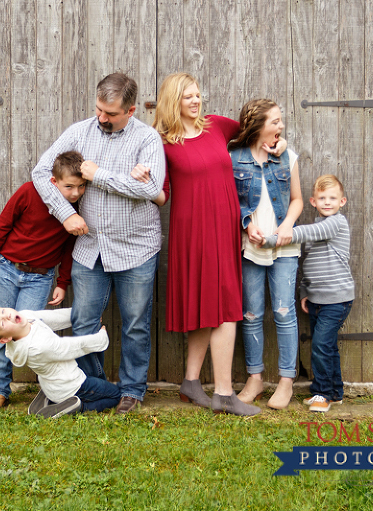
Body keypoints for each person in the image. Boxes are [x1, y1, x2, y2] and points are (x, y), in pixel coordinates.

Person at [31, 73, 165, 414]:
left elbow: (152, 190)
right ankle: (97, 388)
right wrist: (65, 213)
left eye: (110, 114)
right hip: (90, 247)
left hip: (136, 247)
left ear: (131, 110)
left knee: (135, 323)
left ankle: (132, 390)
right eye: (98, 110)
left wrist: (98, 174)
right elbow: (40, 171)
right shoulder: (79, 131)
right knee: (84, 322)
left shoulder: (147, 140)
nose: (101, 118)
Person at [145, 72, 277, 416]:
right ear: (173, 101)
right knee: (223, 305)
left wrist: (275, 140)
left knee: (214, 305)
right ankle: (222, 393)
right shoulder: (161, 143)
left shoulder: (217, 126)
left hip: (224, 228)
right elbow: (163, 196)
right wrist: (145, 182)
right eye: (188, 96)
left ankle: (191, 383)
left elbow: (254, 128)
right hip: (194, 233)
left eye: (198, 94)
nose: (195, 100)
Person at [0, 151, 86, 410]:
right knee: (1, 329)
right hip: (7, 268)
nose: (75, 193)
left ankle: (51, 389)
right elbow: (2, 226)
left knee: (33, 333)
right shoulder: (29, 192)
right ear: (53, 182)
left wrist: (62, 282)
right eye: (68, 186)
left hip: (40, 277)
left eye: (81, 186)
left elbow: (69, 249)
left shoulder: (77, 209)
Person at [228, 99, 303, 410]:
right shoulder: (233, 158)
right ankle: (255, 378)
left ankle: (286, 381)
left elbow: (297, 199)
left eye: (281, 120)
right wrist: (246, 226)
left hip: (284, 246)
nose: (280, 127)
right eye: (274, 122)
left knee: (285, 313)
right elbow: (230, 202)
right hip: (251, 247)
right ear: (257, 126)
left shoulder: (287, 156)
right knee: (251, 314)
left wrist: (287, 225)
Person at [286, 174, 354, 413]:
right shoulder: (317, 230)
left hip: (337, 299)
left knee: (321, 347)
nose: (327, 202)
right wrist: (304, 291)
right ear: (313, 201)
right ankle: (335, 392)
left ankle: (322, 394)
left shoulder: (336, 223)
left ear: (342, 201)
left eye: (332, 198)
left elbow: (307, 233)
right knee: (327, 347)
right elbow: (309, 263)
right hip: (316, 300)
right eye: (322, 198)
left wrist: (285, 233)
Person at [0, 307, 121, 416]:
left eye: (2, 311)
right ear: (5, 339)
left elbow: (53, 317)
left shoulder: (25, 317)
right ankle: (77, 407)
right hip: (71, 385)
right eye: (2, 324)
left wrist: (84, 314)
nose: (7, 316)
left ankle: (51, 399)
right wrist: (101, 337)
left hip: (52, 385)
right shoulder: (38, 347)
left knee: (101, 388)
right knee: (116, 396)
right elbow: (73, 347)